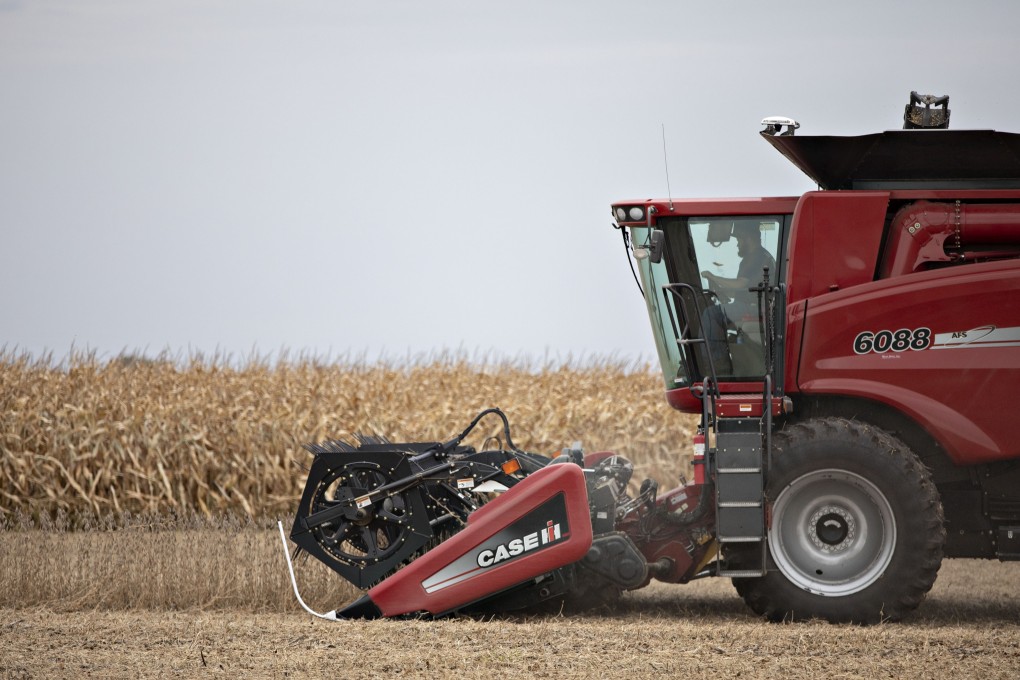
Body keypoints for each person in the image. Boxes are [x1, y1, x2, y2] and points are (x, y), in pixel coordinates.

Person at [699, 222, 775, 375]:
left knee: (711, 314)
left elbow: (741, 283)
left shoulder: (757, 257)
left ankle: (717, 362)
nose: (737, 245)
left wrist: (714, 276)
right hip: (752, 304)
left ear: (749, 239)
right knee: (715, 312)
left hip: (754, 307)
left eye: (739, 240)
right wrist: (721, 292)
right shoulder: (755, 257)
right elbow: (742, 290)